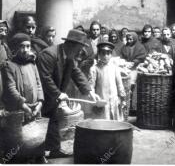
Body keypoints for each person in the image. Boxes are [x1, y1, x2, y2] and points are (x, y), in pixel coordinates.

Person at [37, 29, 101, 158]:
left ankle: (54, 150)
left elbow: (76, 73)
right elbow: (44, 78)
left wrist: (90, 91)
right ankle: (38, 155)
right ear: (72, 45)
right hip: (42, 96)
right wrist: (58, 94)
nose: (81, 51)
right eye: (80, 47)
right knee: (41, 123)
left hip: (52, 96)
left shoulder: (69, 57)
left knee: (53, 120)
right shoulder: (48, 55)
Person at [2, 33, 47, 163]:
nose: (26, 50)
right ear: (15, 49)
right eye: (22, 46)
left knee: (35, 137)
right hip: (19, 109)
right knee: (18, 142)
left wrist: (40, 102)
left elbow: (39, 84)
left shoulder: (32, 64)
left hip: (34, 107)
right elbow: (11, 88)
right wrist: (23, 105)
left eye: (28, 46)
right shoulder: (8, 66)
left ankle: (37, 157)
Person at [89, 42, 126, 120]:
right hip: (102, 99)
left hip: (114, 99)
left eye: (108, 53)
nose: (106, 56)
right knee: (103, 120)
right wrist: (93, 97)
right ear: (99, 54)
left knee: (114, 120)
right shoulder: (94, 69)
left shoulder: (115, 68)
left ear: (111, 54)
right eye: (103, 53)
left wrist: (122, 98)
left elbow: (119, 84)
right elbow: (91, 86)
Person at [120, 32, 147, 112]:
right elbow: (122, 56)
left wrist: (134, 62)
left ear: (135, 39)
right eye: (128, 39)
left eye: (131, 39)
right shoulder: (125, 47)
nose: (129, 40)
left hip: (136, 68)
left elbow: (142, 57)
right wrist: (125, 62)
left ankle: (133, 108)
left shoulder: (140, 47)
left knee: (133, 87)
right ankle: (127, 107)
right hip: (127, 69)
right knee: (127, 88)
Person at [0, 20, 12, 109]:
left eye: (5, 31)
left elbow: (9, 58)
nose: (4, 34)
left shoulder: (4, 45)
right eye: (1, 30)